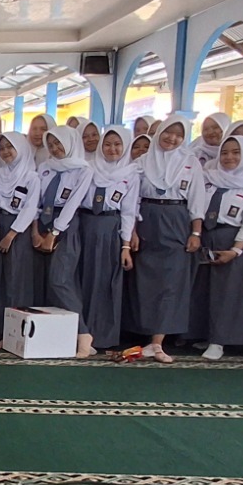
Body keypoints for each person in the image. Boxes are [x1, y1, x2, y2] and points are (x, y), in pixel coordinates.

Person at [129, 116, 204, 363]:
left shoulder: (190, 162)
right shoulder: (141, 162)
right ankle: (141, 334)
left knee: (170, 282)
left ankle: (157, 342)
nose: (172, 138)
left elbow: (197, 199)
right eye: (167, 132)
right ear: (158, 133)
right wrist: (132, 231)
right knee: (145, 281)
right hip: (146, 219)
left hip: (176, 220)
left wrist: (195, 232)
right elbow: (132, 199)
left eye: (178, 134)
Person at [190, 134, 243, 361]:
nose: (229, 157)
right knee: (203, 289)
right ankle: (203, 333)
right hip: (205, 236)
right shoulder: (207, 178)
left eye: (235, 152)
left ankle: (219, 341)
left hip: (232, 241)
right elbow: (195, 205)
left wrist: (236, 249)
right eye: (224, 152)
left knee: (227, 293)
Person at [76, 127, 141, 357]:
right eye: (108, 144)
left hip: (110, 229)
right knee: (82, 280)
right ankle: (80, 333)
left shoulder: (131, 174)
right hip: (84, 226)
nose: (112, 149)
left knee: (104, 282)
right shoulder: (88, 168)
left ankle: (102, 335)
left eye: (117, 144)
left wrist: (125, 245)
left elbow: (128, 211)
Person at [35, 125, 93, 325]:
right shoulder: (45, 167)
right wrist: (36, 230)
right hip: (42, 222)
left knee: (60, 279)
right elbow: (37, 199)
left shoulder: (83, 169)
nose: (54, 148)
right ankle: (55, 332)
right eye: (50, 144)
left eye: (58, 143)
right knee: (42, 282)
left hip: (66, 225)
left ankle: (82, 333)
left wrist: (55, 232)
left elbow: (73, 202)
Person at [0, 132, 41, 342]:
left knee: (15, 280)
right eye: (2, 148)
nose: (6, 152)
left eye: (10, 147)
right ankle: (0, 327)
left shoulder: (31, 176)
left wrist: (11, 234)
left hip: (18, 230)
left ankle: (15, 331)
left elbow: (30, 208)